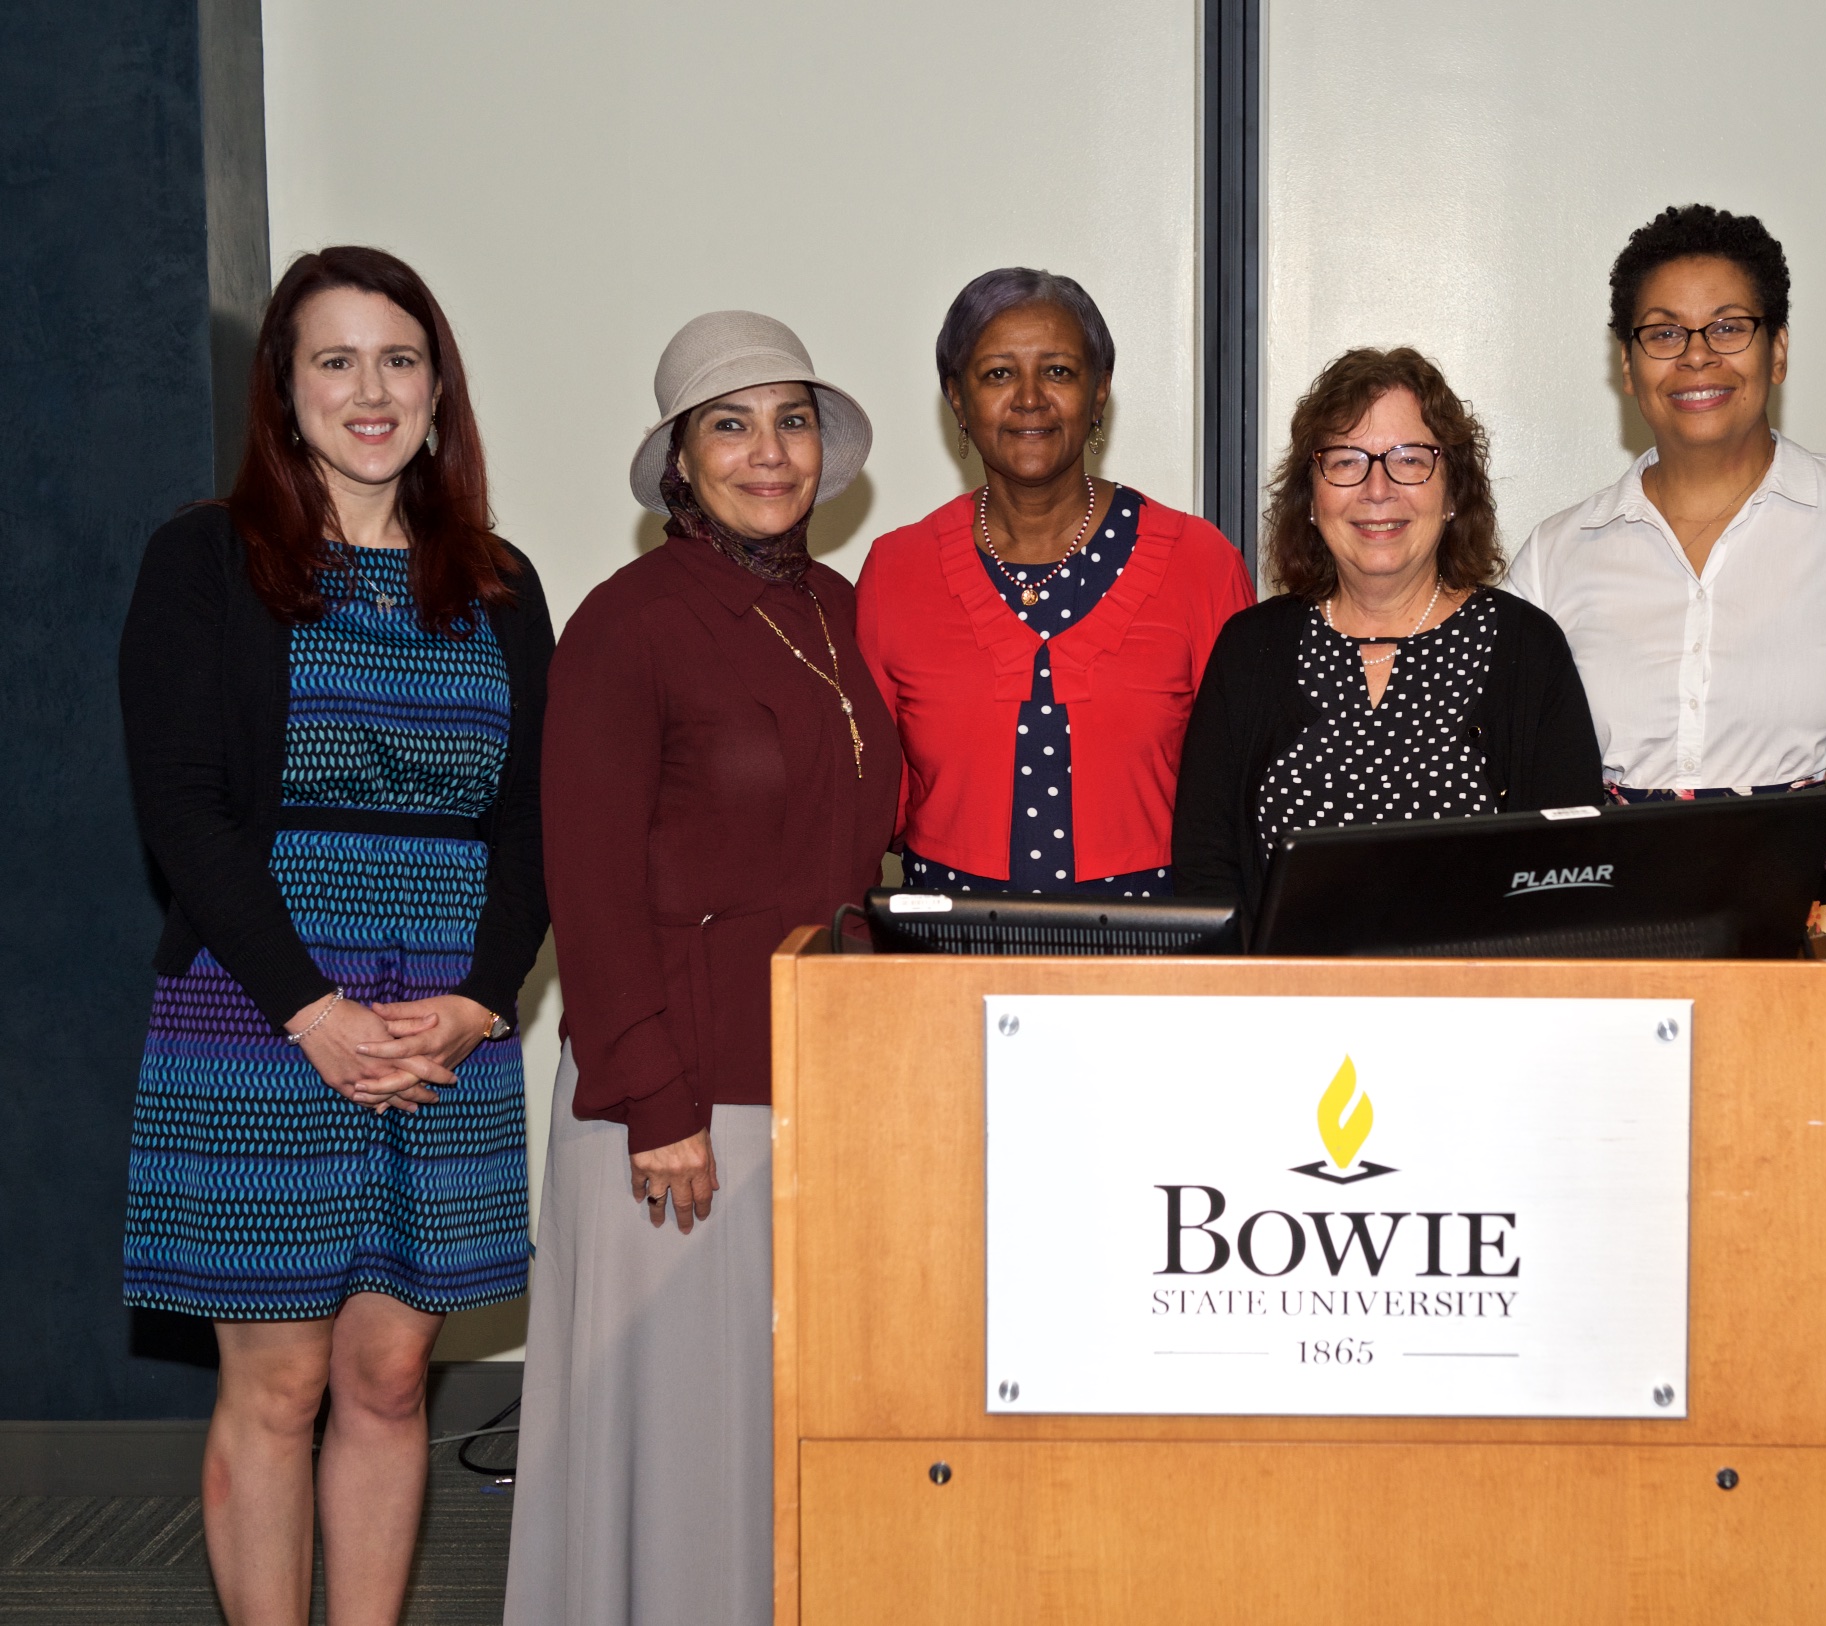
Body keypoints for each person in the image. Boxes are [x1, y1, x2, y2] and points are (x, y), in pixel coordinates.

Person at [119, 246, 551, 1626]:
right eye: (336, 359)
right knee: (283, 1381)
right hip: (260, 1005)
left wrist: (485, 998)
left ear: (438, 386)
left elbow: (538, 819)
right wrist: (309, 1006)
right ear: (284, 388)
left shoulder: (495, 580)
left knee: (383, 1377)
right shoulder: (203, 557)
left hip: (445, 1023)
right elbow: (181, 808)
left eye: (399, 358)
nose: (371, 390)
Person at [505, 311, 899, 1626]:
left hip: (812, 1075)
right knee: (676, 1442)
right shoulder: (627, 622)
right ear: (679, 460)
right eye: (729, 423)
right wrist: (654, 1102)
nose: (768, 451)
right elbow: (590, 882)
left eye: (789, 419)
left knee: (771, 1423)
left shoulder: (841, 610)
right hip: (674, 1100)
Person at [1510, 204, 1826, 932]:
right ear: (1629, 367)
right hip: (1610, 915)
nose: (1697, 356)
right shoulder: (1556, 552)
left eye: (1729, 326)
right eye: (1664, 333)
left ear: (1779, 350)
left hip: (1817, 913)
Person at [856, 268, 1253, 895]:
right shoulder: (895, 572)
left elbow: (1244, 799)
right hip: (945, 963)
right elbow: (866, 802)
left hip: (1151, 960)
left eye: (1059, 371)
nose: (1030, 398)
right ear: (956, 399)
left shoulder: (1200, 565)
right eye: (997, 374)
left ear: (1100, 394)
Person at [1173, 347, 1603, 912]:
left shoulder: (1527, 648)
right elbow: (1206, 871)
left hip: (1475, 998)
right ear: (1311, 497)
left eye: (1410, 459)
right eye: (1347, 460)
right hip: (1287, 998)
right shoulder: (1250, 648)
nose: (1378, 490)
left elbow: (1569, 879)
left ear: (1453, 492)